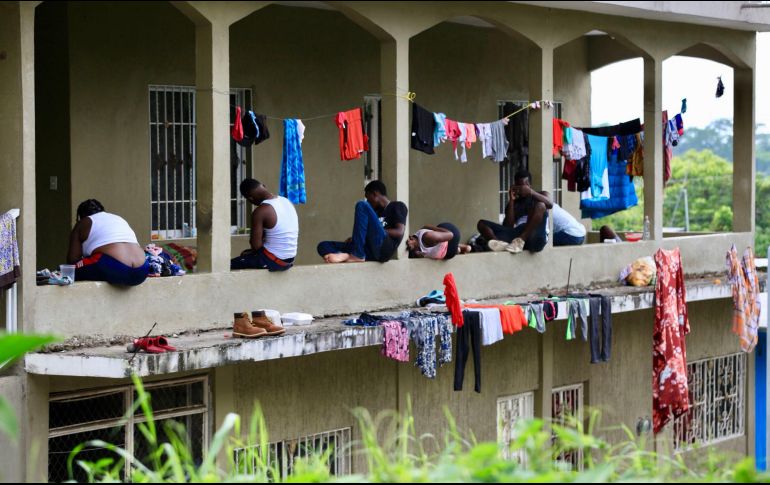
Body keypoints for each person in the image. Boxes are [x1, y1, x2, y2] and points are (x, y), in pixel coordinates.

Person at [317, 180, 407, 263]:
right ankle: (347, 256)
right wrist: (357, 238)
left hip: (383, 248)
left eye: (368, 197)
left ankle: (356, 255)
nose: (368, 201)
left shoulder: (397, 206)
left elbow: (399, 232)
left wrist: (372, 231)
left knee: (361, 204)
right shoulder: (375, 212)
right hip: (369, 251)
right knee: (323, 246)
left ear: (375, 194)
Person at [67, 199, 149, 285]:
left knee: (66, 272)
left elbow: (72, 262)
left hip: (116, 268)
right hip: (142, 270)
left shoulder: (83, 223)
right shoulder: (117, 218)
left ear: (81, 216)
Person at [476, 170, 551, 254]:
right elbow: (508, 226)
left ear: (529, 185)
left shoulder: (541, 194)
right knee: (482, 224)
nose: (521, 189)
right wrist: (512, 201)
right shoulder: (515, 203)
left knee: (541, 205)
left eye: (523, 186)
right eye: (518, 186)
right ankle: (500, 245)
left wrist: (530, 192)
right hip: (517, 234)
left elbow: (550, 204)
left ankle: (521, 240)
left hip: (535, 236)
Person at [231, 178, 298, 272]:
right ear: (264, 186)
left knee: (228, 265)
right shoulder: (286, 201)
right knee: (247, 255)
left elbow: (255, 245)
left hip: (273, 261)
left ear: (250, 198)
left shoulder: (261, 211)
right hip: (289, 260)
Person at [406, 223, 471, 260]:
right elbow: (425, 226)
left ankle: (462, 248)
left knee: (455, 250)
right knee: (456, 248)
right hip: (441, 238)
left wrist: (436, 231)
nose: (417, 253)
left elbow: (451, 235)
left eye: (414, 250)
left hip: (452, 236)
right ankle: (460, 248)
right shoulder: (416, 240)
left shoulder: (428, 237)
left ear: (411, 238)